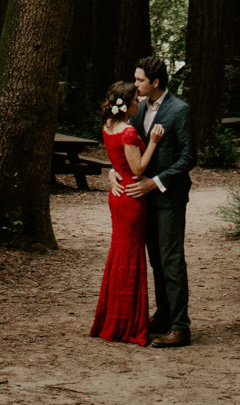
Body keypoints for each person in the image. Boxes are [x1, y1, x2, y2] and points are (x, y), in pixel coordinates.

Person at [118, 54, 196, 349]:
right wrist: (116, 171)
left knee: (171, 259)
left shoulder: (180, 111)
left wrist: (156, 182)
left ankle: (180, 327)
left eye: (139, 80)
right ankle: (163, 316)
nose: (135, 84)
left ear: (156, 82)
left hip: (169, 198)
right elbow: (130, 147)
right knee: (155, 261)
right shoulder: (137, 109)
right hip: (142, 199)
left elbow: (189, 157)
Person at [90, 80, 165, 346]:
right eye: (136, 99)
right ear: (126, 104)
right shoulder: (129, 133)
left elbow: (117, 162)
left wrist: (112, 172)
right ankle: (126, 323)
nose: (139, 101)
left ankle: (114, 318)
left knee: (119, 255)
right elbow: (137, 169)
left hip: (118, 194)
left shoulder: (109, 126)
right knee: (130, 258)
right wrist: (154, 142)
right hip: (132, 197)